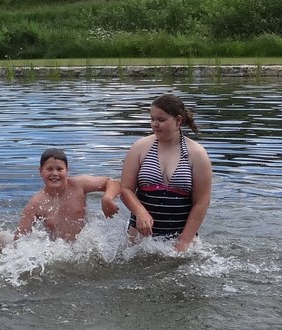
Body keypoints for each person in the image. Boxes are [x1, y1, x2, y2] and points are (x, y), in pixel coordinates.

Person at [120, 93, 212, 252]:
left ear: (178, 121)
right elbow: (125, 189)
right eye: (152, 119)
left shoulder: (197, 154)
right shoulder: (139, 148)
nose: (154, 124)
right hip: (140, 242)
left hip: (180, 238)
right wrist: (140, 211)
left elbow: (201, 203)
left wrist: (183, 243)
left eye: (161, 120)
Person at [14, 148, 120, 242]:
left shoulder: (79, 185)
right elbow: (19, 240)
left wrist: (107, 198)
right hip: (59, 251)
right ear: (40, 171)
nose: (55, 173)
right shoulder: (36, 203)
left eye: (59, 169)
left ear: (67, 171)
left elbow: (113, 182)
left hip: (85, 244)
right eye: (49, 169)